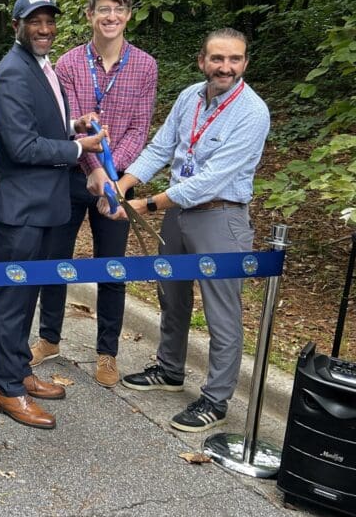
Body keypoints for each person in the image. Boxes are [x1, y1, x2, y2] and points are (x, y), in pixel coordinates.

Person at [103, 28, 269, 432]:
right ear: (202, 60)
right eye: (217, 59)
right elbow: (162, 147)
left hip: (219, 216)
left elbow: (211, 180)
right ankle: (170, 369)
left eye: (234, 60)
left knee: (221, 314)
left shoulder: (252, 112)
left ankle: (215, 399)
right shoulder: (189, 96)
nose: (224, 67)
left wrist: (148, 204)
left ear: (245, 63)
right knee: (172, 295)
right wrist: (124, 183)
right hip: (179, 216)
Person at [0, 0, 106, 430]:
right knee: (13, 297)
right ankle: (6, 390)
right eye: (34, 21)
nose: (45, 29)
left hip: (43, 204)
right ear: (16, 25)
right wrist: (78, 146)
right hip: (20, 207)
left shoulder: (39, 66)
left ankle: (19, 371)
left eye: (50, 21)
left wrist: (74, 125)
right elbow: (19, 145)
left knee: (29, 291)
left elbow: (40, 124)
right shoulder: (11, 75)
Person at [31, 0, 158, 387]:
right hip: (69, 177)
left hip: (119, 183)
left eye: (119, 10)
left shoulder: (145, 66)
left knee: (112, 267)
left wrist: (110, 174)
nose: (111, 17)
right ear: (90, 15)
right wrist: (90, 168)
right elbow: (64, 126)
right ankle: (49, 337)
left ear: (129, 16)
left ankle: (107, 352)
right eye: (103, 9)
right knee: (55, 260)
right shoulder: (66, 64)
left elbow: (140, 128)